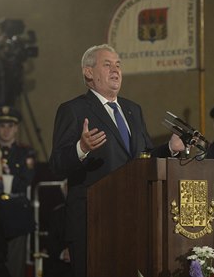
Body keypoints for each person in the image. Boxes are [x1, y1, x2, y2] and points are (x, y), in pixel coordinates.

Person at [49, 44, 185, 277]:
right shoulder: (73, 110)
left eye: (118, 65)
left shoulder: (133, 109)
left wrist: (170, 148)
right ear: (89, 72)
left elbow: (143, 160)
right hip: (92, 223)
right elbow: (56, 166)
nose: (116, 70)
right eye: (107, 64)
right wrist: (81, 148)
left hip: (132, 219)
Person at [0, 106, 36, 277]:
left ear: (16, 128)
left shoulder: (25, 152)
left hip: (16, 215)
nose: (6, 130)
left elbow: (24, 183)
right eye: (1, 126)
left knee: (15, 267)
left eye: (10, 126)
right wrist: (8, 181)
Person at [43, 180, 73, 277]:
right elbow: (51, 242)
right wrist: (62, 253)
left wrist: (74, 251)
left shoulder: (90, 212)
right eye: (67, 189)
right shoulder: (56, 214)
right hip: (60, 264)